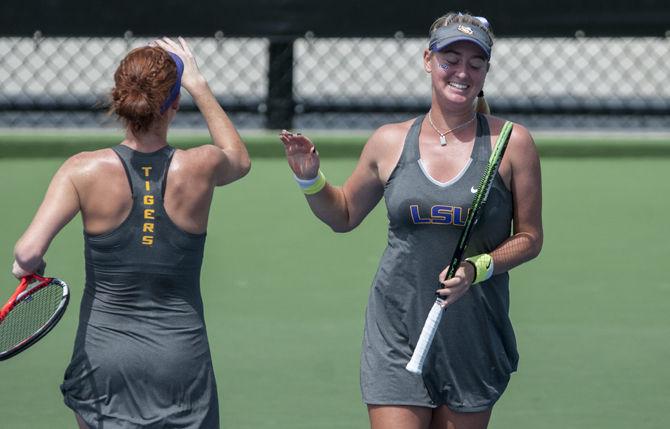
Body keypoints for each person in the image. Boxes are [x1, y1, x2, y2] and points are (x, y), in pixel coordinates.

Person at [280, 12, 542, 429]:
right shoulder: (388, 141)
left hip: (472, 337)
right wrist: (310, 179)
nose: (462, 72)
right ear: (427, 60)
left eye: (475, 63)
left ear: (486, 71)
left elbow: (529, 237)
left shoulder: (513, 143)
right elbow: (344, 214)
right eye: (450, 59)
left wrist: (479, 268)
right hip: (396, 330)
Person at [12, 37, 250, 428]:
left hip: (104, 361)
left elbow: (27, 253)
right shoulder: (201, 166)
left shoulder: (81, 170)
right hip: (180, 364)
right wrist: (199, 85)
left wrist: (29, 265)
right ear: (173, 105)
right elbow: (239, 160)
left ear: (119, 99)